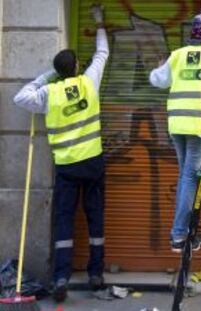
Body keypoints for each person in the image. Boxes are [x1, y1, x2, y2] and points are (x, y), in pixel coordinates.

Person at [13, 5, 109, 302]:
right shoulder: (89, 83)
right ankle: (95, 274)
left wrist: (47, 76)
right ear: (78, 66)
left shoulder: (49, 94)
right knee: (95, 219)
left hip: (66, 166)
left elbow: (20, 97)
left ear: (59, 70)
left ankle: (60, 278)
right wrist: (99, 21)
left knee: (64, 221)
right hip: (92, 163)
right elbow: (102, 54)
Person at [149, 14, 201, 253]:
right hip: (200, 126)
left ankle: (186, 232)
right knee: (189, 178)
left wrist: (158, 67)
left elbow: (157, 80)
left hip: (177, 124)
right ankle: (179, 235)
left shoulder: (177, 55)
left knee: (186, 177)